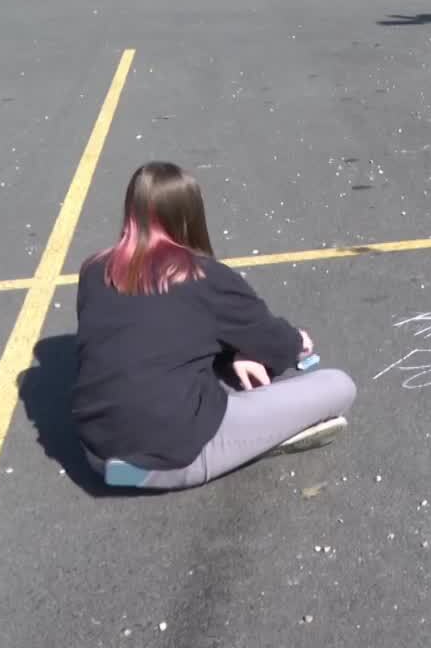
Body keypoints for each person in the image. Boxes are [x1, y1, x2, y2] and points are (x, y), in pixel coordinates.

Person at [72, 161, 357, 490]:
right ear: (188, 215)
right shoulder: (202, 274)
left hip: (96, 452)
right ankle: (256, 443)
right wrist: (297, 342)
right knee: (339, 386)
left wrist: (233, 355)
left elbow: (145, 335)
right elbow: (277, 344)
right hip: (171, 457)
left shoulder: (93, 270)